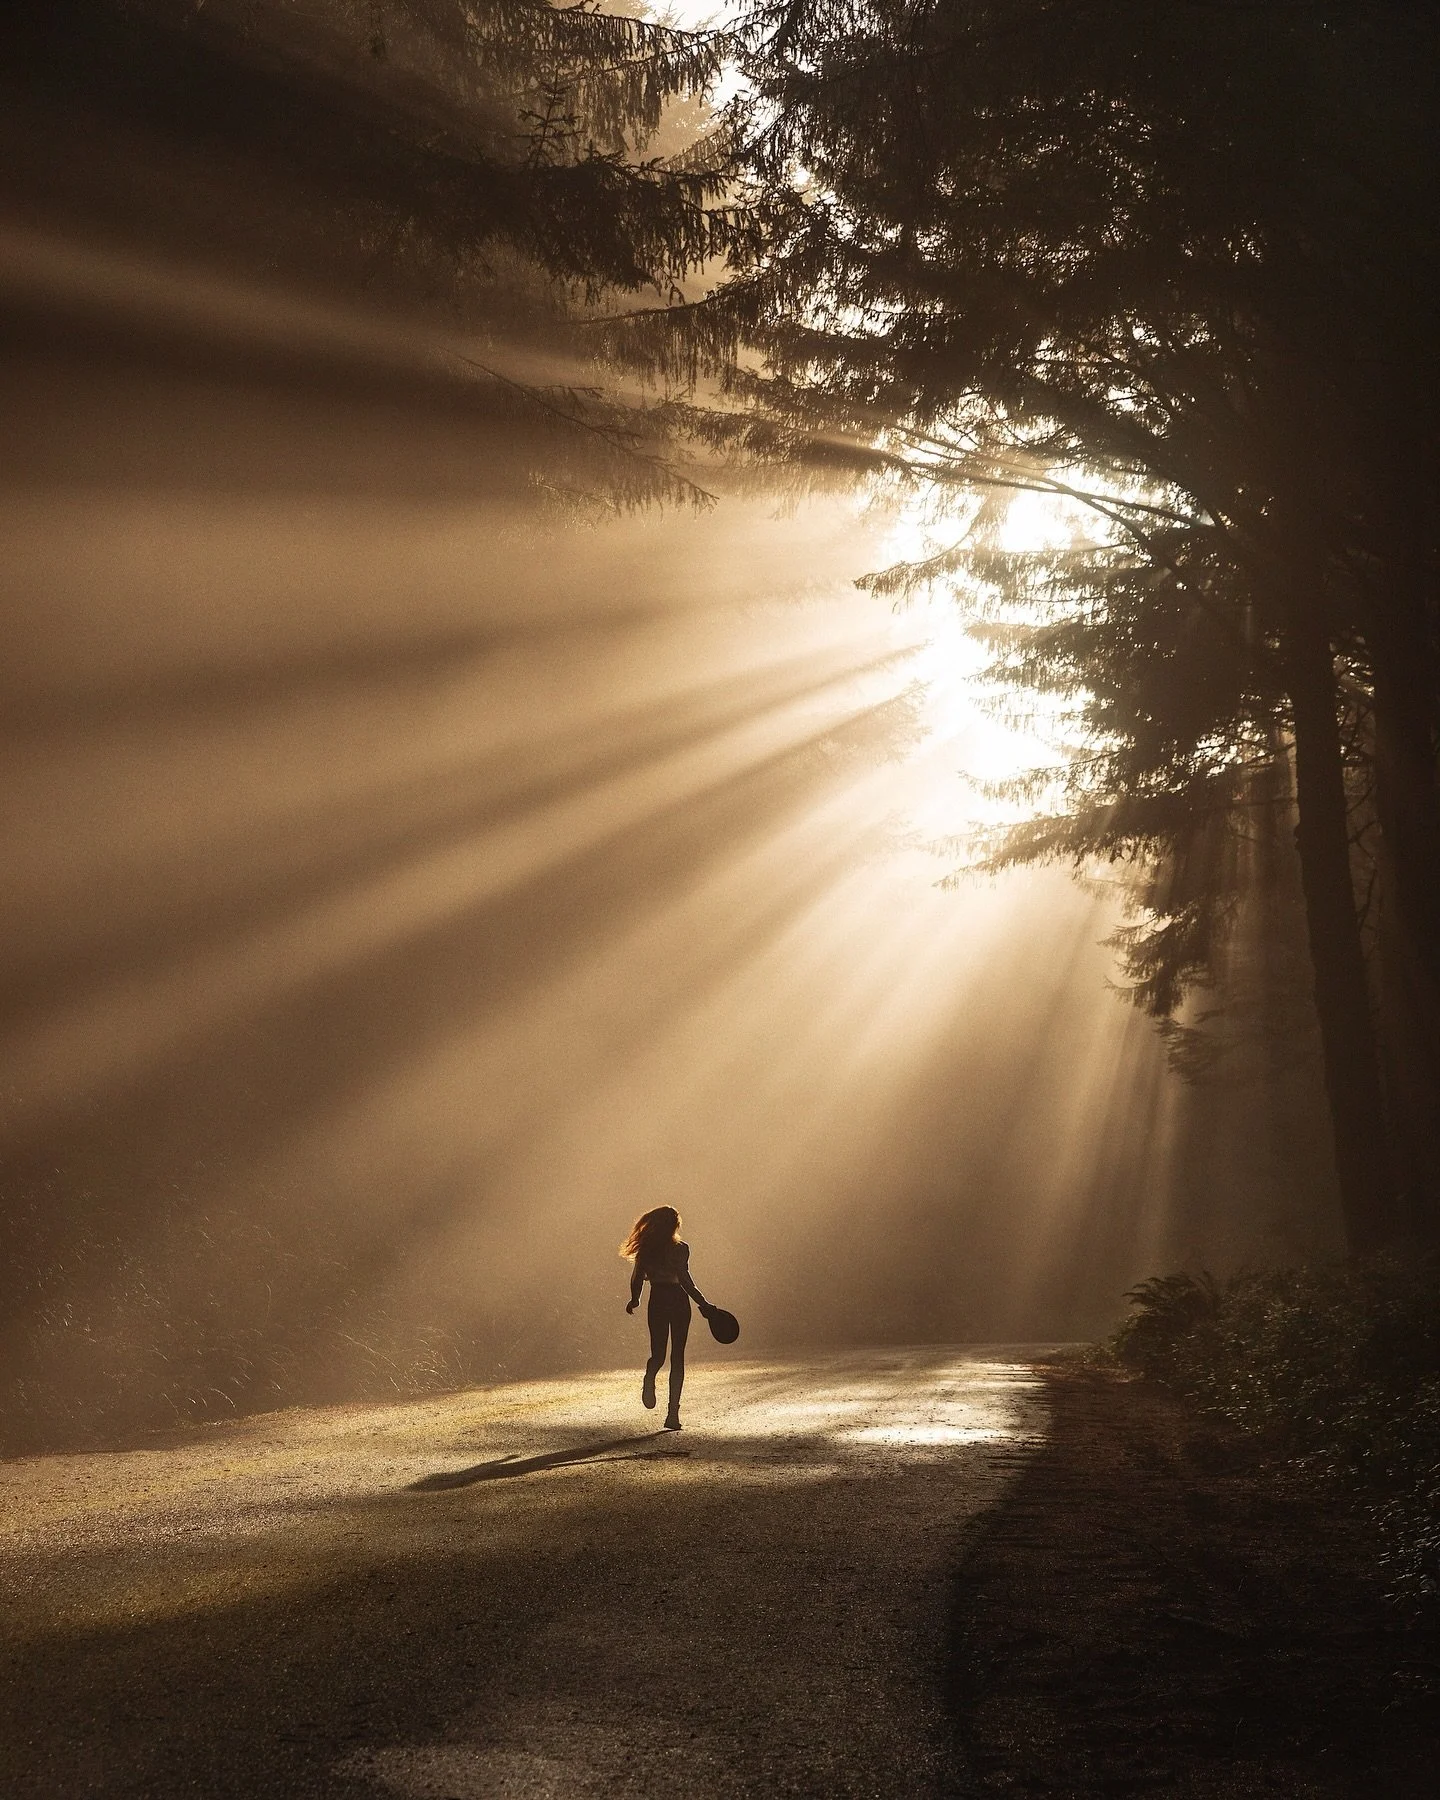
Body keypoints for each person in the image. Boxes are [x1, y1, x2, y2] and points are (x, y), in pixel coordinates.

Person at [620, 1205, 710, 1431]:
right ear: (673, 1225)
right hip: (678, 1300)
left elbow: (637, 1278)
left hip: (658, 1299)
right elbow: (686, 1281)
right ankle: (672, 1412)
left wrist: (635, 1299)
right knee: (676, 1357)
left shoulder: (647, 1250)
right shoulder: (680, 1249)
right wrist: (704, 1303)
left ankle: (654, 1383)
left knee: (659, 1355)